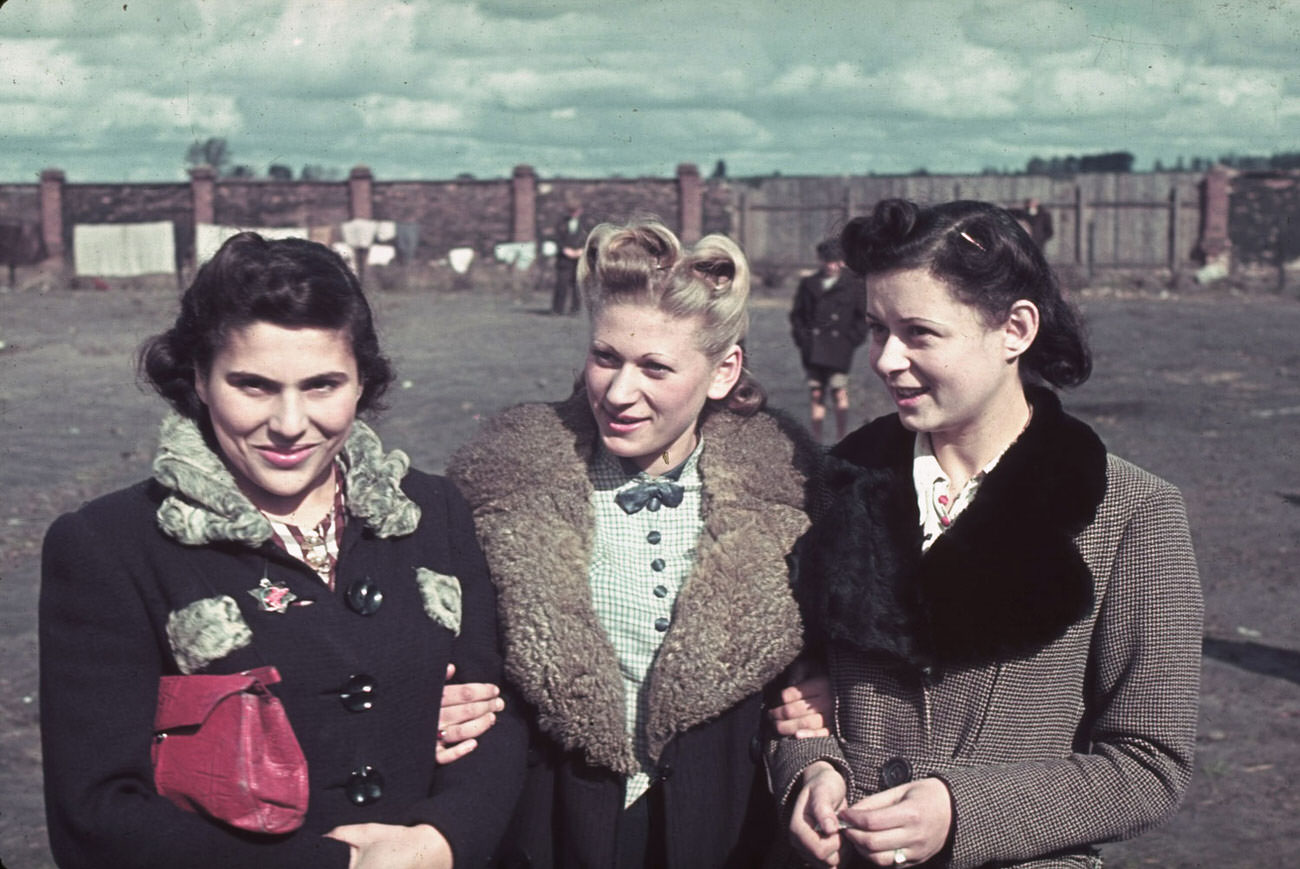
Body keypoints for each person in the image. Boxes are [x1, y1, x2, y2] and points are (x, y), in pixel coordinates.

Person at [39, 232, 525, 869]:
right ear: (199, 380)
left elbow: (494, 717)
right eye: (254, 386)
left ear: (362, 383)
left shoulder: (435, 514)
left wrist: (438, 841)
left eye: (323, 385)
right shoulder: (110, 546)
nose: (290, 425)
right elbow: (96, 813)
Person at [770, 199, 1202, 868]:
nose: (884, 359)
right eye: (876, 328)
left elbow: (1150, 763)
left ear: (1015, 328)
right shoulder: (833, 484)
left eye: (918, 332)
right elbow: (801, 680)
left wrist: (959, 807)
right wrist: (810, 766)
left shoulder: (1133, 513)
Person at [446, 219, 821, 867]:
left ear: (724, 371)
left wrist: (827, 688)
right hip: (552, 829)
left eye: (654, 367)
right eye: (605, 358)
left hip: (728, 828)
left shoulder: (798, 497)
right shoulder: (501, 488)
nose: (620, 392)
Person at [790, 237, 868, 442]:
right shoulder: (809, 284)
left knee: (838, 391)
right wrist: (803, 340)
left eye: (836, 260)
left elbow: (862, 318)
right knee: (816, 393)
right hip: (813, 349)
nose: (832, 265)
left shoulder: (853, 285)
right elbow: (798, 315)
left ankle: (842, 438)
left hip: (839, 349)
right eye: (828, 260)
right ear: (820, 260)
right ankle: (817, 440)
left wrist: (850, 340)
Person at [552, 197, 586, 315]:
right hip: (564, 259)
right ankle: (557, 310)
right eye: (571, 211)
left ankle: (575, 310)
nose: (573, 213)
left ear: (580, 210)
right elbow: (556, 238)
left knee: (577, 285)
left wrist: (583, 250)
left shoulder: (586, 223)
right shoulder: (561, 222)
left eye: (575, 211)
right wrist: (564, 249)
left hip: (580, 259)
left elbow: (591, 238)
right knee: (561, 284)